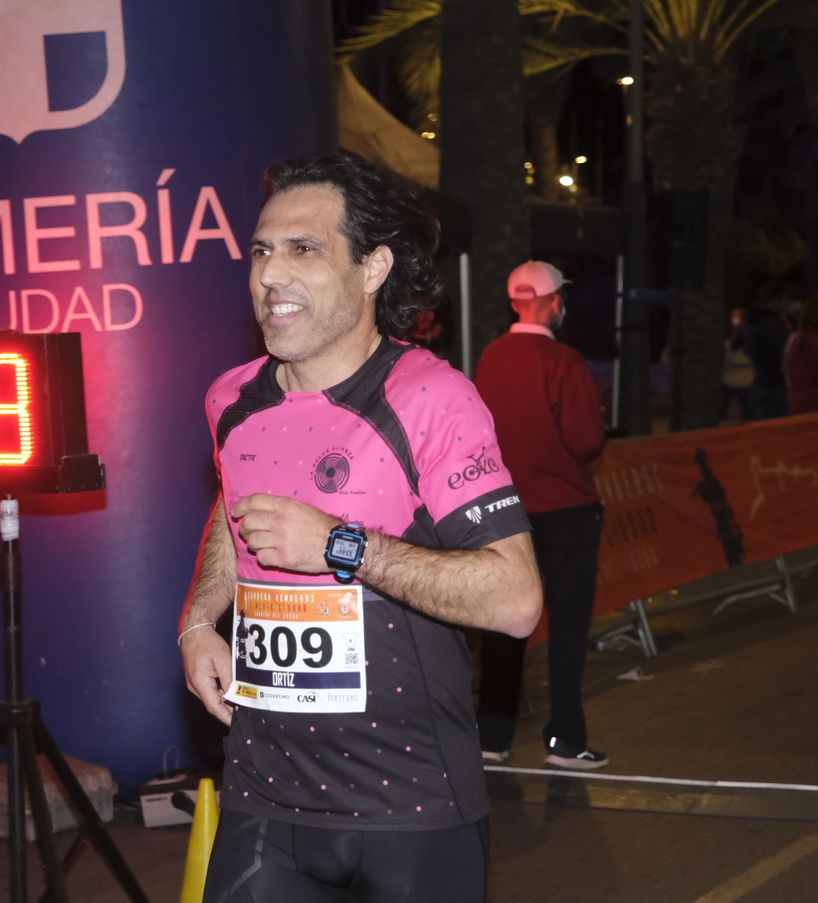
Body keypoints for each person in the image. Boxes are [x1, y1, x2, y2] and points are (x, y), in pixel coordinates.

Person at [179, 153, 541, 902]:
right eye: (261, 251)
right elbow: (231, 504)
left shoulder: (430, 399)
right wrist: (198, 617)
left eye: (303, 249)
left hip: (409, 805)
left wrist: (340, 547)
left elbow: (516, 599)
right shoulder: (231, 399)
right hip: (264, 794)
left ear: (373, 268)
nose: (270, 274)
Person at [472, 260, 608, 771]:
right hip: (567, 510)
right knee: (568, 626)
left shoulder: (491, 358)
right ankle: (566, 740)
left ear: (515, 301)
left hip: (504, 511)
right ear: (553, 302)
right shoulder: (564, 361)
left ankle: (493, 735)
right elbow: (586, 440)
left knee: (505, 625)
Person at [743, 292, 792, 418]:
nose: (788, 305)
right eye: (785, 300)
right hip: (775, 382)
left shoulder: (754, 320)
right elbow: (783, 351)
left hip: (761, 379)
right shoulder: (771, 323)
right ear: (774, 300)